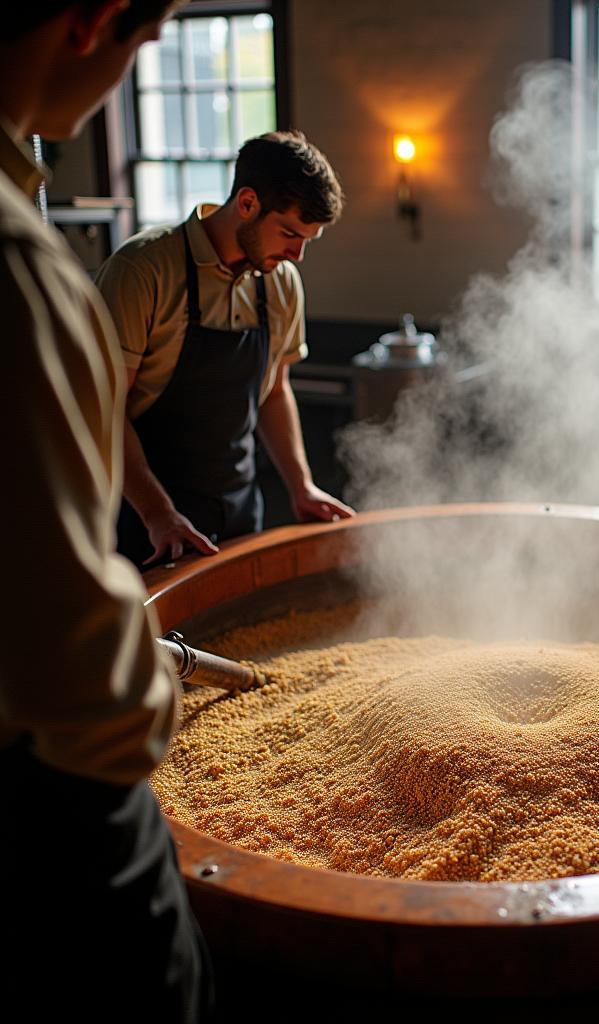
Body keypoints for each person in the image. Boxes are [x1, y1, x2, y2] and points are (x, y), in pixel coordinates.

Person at [0, 1, 212, 1019]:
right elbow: (70, 662)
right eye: (147, 31)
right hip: (44, 810)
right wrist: (144, 673)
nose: (151, 53)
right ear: (87, 23)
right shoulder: (25, 268)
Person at [96, 130, 354, 568]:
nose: (298, 255)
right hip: (144, 520)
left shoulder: (281, 280)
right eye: (290, 233)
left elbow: (274, 392)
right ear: (248, 203)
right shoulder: (142, 271)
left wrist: (301, 486)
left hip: (238, 514)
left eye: (309, 240)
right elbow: (104, 410)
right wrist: (158, 514)